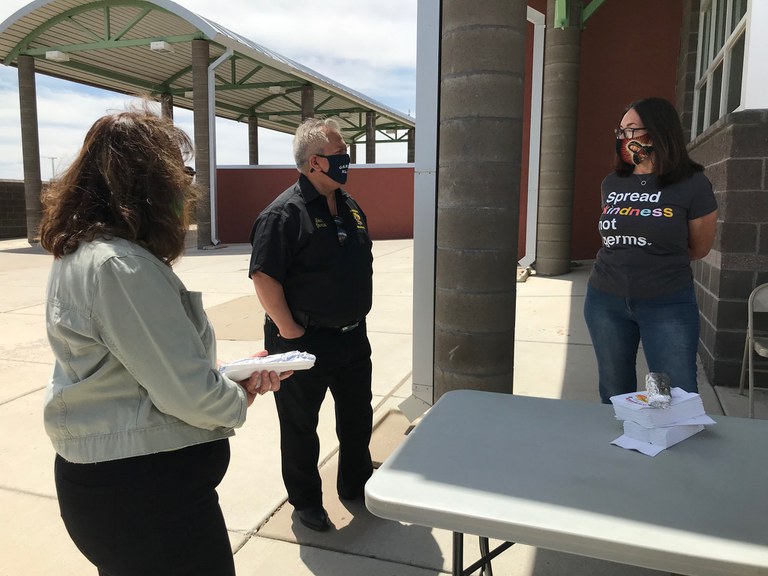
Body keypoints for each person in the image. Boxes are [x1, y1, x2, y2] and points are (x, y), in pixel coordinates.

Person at [39, 107, 290, 576]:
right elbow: (188, 395)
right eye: (181, 174)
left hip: (122, 495)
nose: (185, 189)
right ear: (149, 182)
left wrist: (221, 378)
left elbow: (138, 370)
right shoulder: (122, 267)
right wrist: (236, 393)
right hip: (148, 502)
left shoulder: (81, 253)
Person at [248, 117, 374, 532]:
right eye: (340, 152)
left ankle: (356, 485)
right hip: (303, 342)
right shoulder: (283, 214)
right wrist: (290, 334)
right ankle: (305, 503)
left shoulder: (350, 205)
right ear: (316, 161)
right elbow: (264, 276)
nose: (347, 159)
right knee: (301, 426)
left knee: (356, 418)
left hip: (352, 339)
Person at [583, 97, 718, 404]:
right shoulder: (612, 183)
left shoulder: (693, 184)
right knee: (615, 393)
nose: (624, 137)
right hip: (605, 301)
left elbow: (698, 248)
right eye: (620, 130)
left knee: (676, 396)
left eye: (632, 129)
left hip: (667, 303)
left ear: (657, 132)